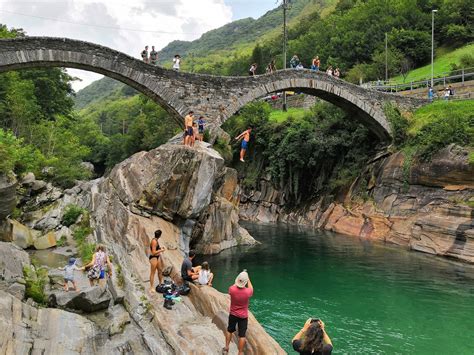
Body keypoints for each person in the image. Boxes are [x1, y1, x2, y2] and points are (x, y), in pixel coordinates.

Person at [222, 270, 253, 355]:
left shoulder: (232, 289)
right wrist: (248, 279)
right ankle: (240, 352)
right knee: (242, 335)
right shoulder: (248, 292)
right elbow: (251, 288)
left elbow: (234, 285)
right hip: (243, 316)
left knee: (229, 330)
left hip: (233, 314)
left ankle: (226, 348)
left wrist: (238, 280)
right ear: (245, 282)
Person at [149, 229, 166, 294]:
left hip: (157, 257)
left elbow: (156, 249)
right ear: (160, 235)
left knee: (160, 270)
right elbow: (153, 252)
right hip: (153, 258)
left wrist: (160, 248)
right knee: (152, 272)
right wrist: (161, 251)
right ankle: (151, 287)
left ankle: (160, 283)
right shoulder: (154, 241)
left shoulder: (156, 240)